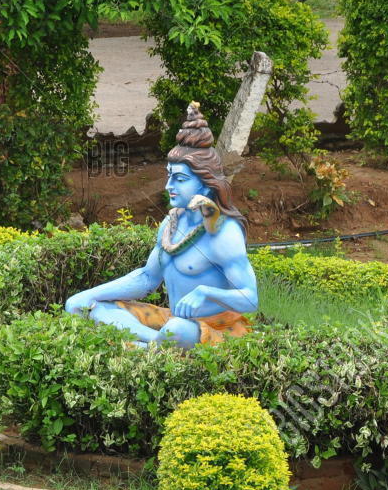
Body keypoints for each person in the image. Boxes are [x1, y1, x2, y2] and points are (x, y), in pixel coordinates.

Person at [64, 103, 257, 349]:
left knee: (176, 329)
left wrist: (206, 293)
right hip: (173, 320)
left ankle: (148, 347)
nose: (169, 186)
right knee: (85, 306)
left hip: (214, 329)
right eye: (169, 176)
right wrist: (91, 295)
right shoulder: (171, 223)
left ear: (207, 185)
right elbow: (147, 277)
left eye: (180, 179)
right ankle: (156, 346)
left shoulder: (223, 232)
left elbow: (250, 299)